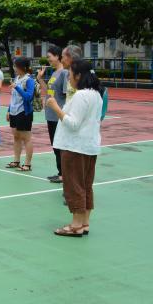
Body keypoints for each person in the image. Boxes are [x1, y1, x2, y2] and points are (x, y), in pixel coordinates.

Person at [46, 59, 103, 237]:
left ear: (78, 75)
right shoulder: (96, 94)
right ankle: (84, 222)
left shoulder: (81, 95)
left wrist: (55, 107)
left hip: (75, 147)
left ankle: (76, 225)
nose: (68, 77)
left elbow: (73, 123)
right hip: (89, 146)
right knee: (86, 185)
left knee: (74, 186)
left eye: (70, 74)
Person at [35, 45, 67, 183]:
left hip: (58, 115)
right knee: (55, 146)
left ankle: (64, 174)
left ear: (58, 56)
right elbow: (48, 91)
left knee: (60, 146)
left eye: (50, 57)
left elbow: (67, 95)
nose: (48, 60)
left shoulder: (64, 73)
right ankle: (60, 172)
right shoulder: (54, 73)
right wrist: (40, 79)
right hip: (50, 115)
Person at [5, 57, 35, 172]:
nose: (14, 68)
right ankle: (16, 160)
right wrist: (9, 110)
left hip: (24, 112)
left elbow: (28, 97)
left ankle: (27, 164)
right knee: (16, 136)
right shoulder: (17, 78)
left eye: (15, 66)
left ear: (22, 67)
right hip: (14, 111)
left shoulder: (29, 80)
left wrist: (16, 87)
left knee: (26, 138)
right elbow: (13, 97)